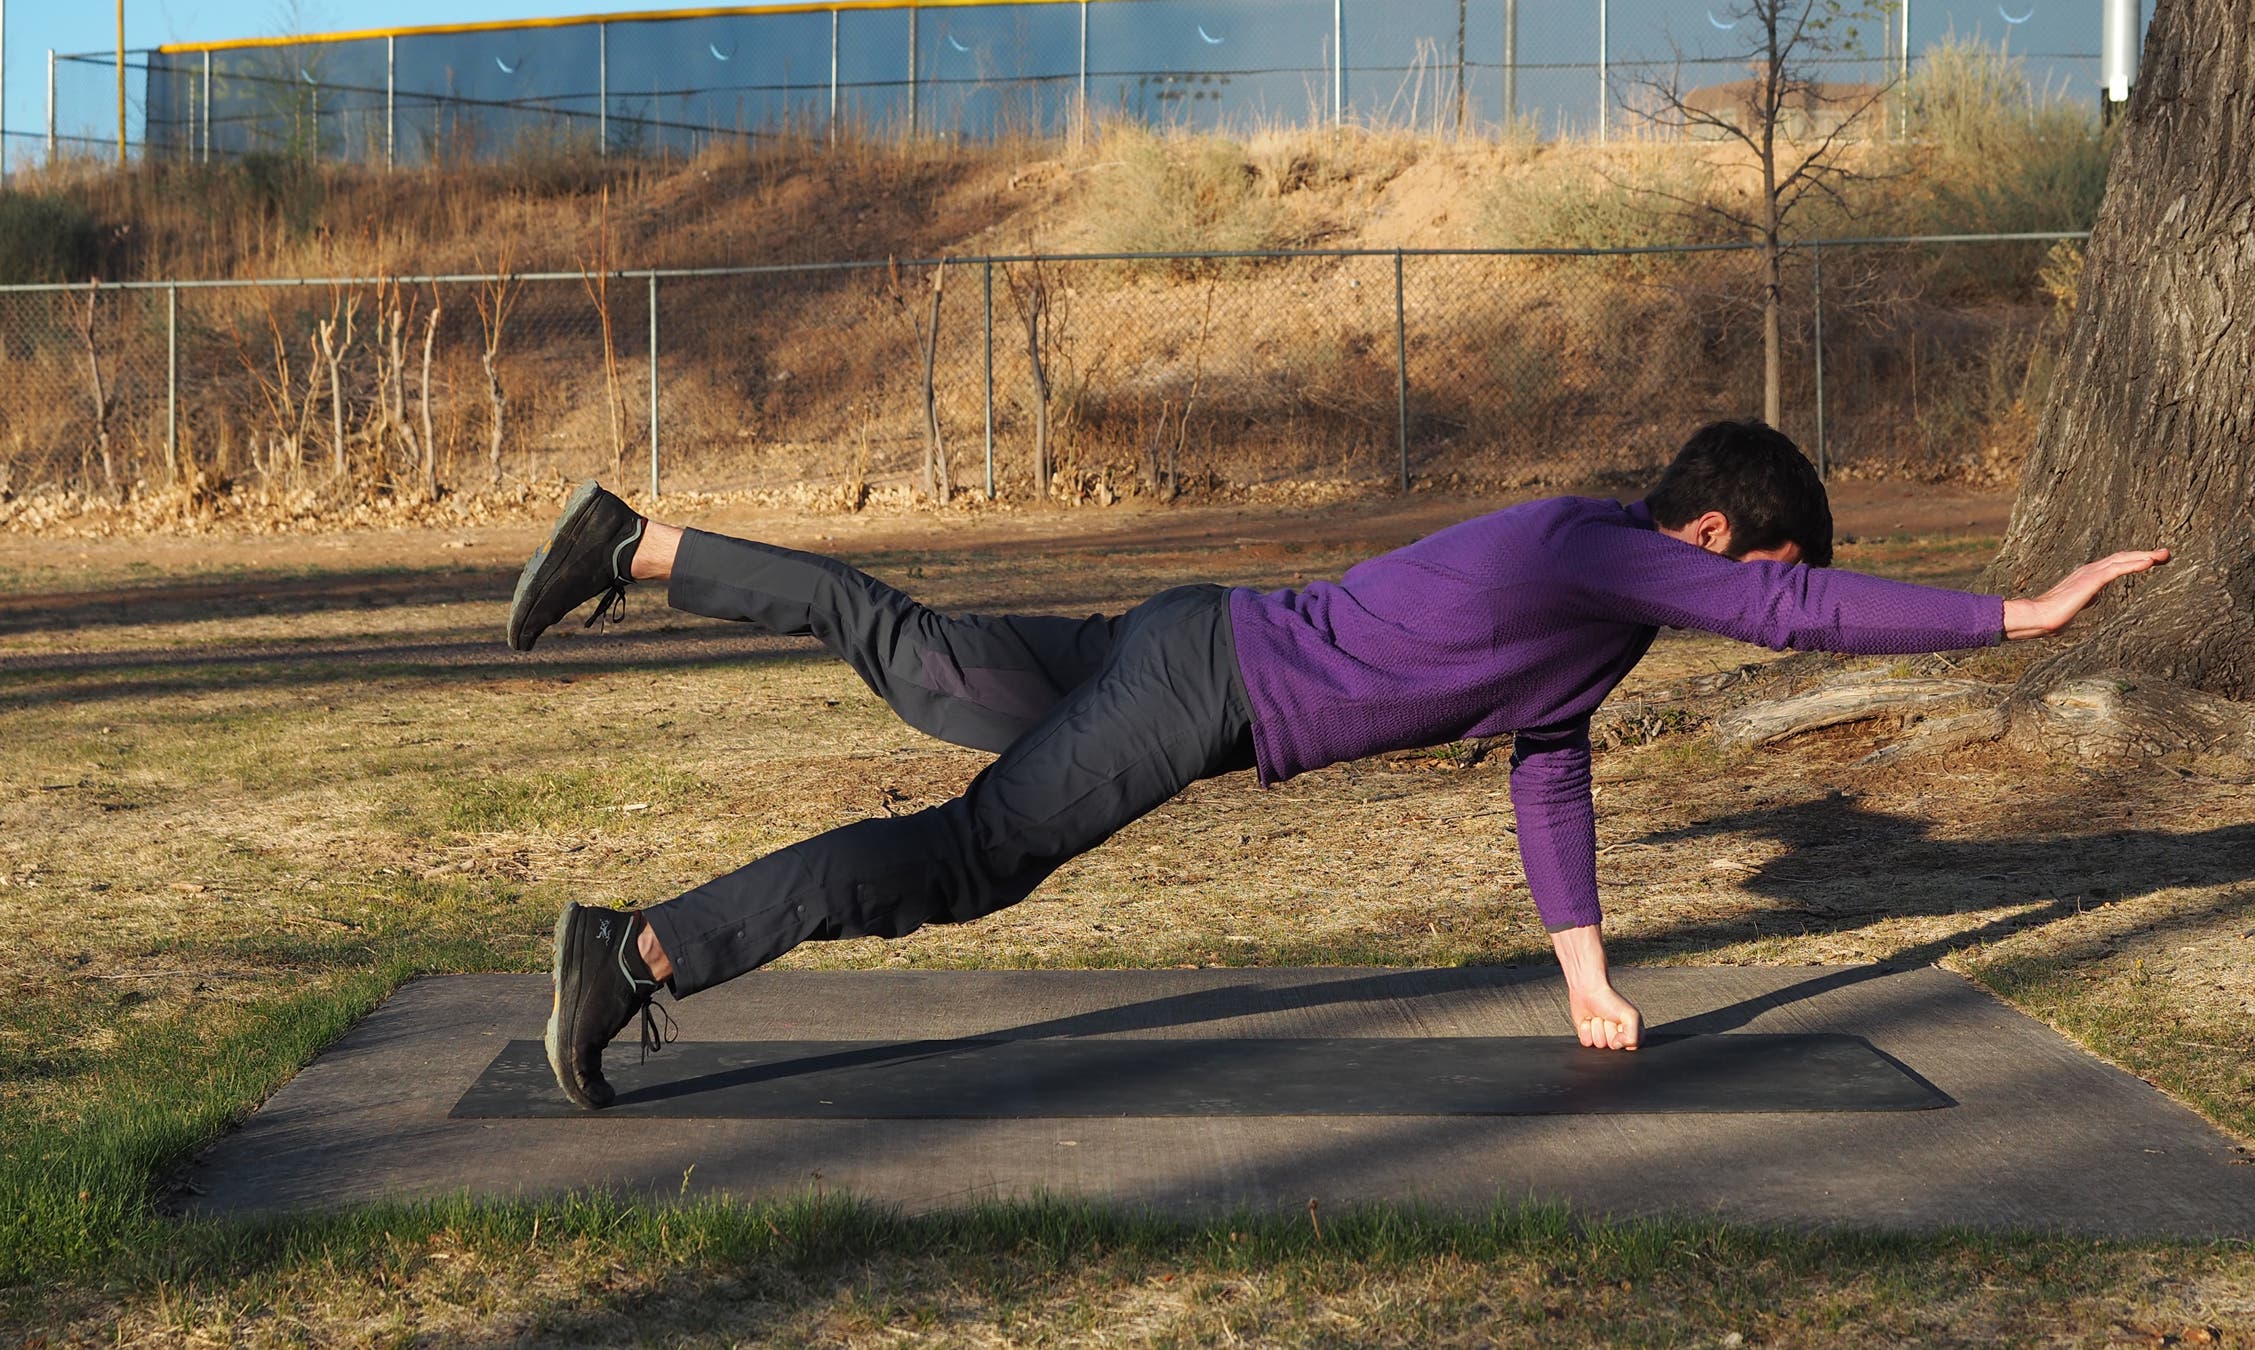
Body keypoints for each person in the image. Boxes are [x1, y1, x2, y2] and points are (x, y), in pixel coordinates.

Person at [507, 420, 2169, 1109]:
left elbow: (1550, 770)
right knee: (960, 859)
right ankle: (641, 948)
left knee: (924, 657)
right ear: (1722, 535)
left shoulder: (1588, 587)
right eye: (1771, 571)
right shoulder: (1615, 559)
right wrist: (2013, 613)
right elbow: (1804, 627)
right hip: (1205, 691)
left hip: (1191, 630)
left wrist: (1585, 972)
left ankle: (641, 545)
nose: (1773, 601)